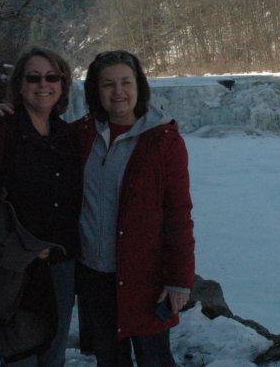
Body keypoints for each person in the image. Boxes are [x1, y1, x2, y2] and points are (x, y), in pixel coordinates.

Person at [0, 47, 82, 366]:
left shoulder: (68, 136)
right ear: (19, 84)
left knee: (54, 353)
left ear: (63, 83)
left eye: (52, 77)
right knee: (20, 356)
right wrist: (14, 241)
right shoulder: (0, 130)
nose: (44, 84)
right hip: (14, 267)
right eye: (34, 77)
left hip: (60, 262)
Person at [74, 50, 195, 367]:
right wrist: (9, 114)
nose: (118, 92)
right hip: (94, 276)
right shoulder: (81, 134)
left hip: (146, 276)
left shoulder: (163, 140)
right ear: (95, 91)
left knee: (154, 358)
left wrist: (179, 279)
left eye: (126, 82)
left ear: (139, 86)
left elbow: (178, 212)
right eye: (108, 84)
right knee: (109, 360)